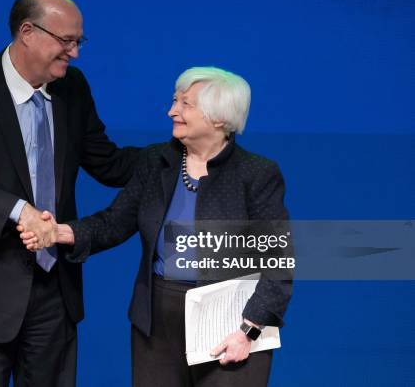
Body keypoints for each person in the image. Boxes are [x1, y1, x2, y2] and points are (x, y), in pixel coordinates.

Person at [0, 0, 139, 387]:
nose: (75, 53)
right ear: (27, 32)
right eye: (66, 40)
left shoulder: (73, 88)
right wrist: (21, 210)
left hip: (54, 287)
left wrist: (183, 150)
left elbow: (108, 163)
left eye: (78, 41)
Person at [21, 67, 293, 387]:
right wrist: (60, 232)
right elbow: (114, 221)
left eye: (185, 104)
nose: (171, 111)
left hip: (231, 321)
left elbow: (277, 261)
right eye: (174, 100)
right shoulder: (156, 161)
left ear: (219, 118)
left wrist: (249, 331)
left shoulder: (257, 174)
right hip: (157, 318)